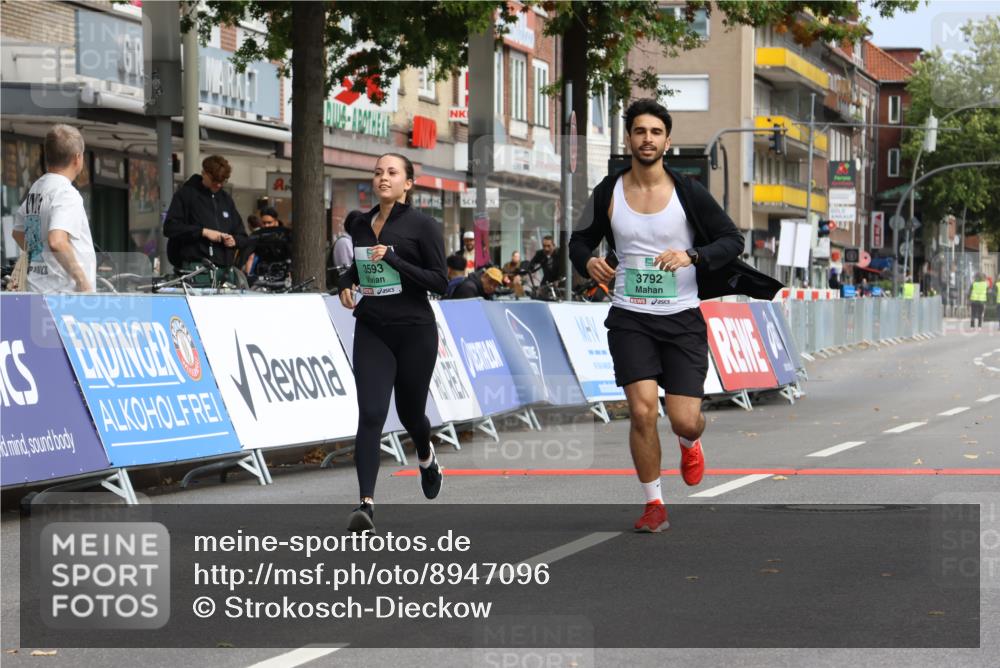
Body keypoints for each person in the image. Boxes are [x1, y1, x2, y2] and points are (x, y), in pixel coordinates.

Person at [569, 98, 782, 533]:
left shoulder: (688, 192)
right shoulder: (608, 192)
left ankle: (689, 442)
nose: (647, 139)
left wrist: (692, 256)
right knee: (643, 412)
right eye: (639, 131)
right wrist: (587, 262)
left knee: (685, 417)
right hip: (630, 316)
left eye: (655, 132)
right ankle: (654, 504)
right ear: (628, 138)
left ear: (667, 141)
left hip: (682, 319)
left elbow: (732, 239)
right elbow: (579, 240)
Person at [337, 153, 448, 533]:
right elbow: (360, 267)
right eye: (378, 172)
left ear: (408, 183)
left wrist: (397, 260)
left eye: (392, 172)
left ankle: (425, 453)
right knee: (370, 414)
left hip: (415, 331)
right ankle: (365, 505)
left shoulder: (423, 226)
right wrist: (345, 284)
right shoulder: (361, 224)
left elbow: (439, 282)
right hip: (373, 327)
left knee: (411, 414)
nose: (383, 178)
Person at [11, 124, 95, 293]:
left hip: (37, 289)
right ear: (77, 158)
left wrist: (40, 257)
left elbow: (18, 232)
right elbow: (57, 241)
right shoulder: (66, 193)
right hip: (63, 295)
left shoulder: (38, 188)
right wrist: (83, 283)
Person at [163, 154, 248, 272]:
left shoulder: (225, 199)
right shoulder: (186, 195)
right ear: (204, 173)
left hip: (223, 269)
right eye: (214, 181)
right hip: (195, 267)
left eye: (222, 181)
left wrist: (234, 240)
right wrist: (203, 232)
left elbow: (242, 235)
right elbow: (170, 227)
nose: (218, 185)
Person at [243, 206, 291, 279]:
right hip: (262, 273)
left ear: (276, 220)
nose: (266, 225)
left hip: (283, 273)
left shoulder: (286, 234)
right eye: (264, 223)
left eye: (269, 222)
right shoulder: (259, 235)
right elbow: (249, 254)